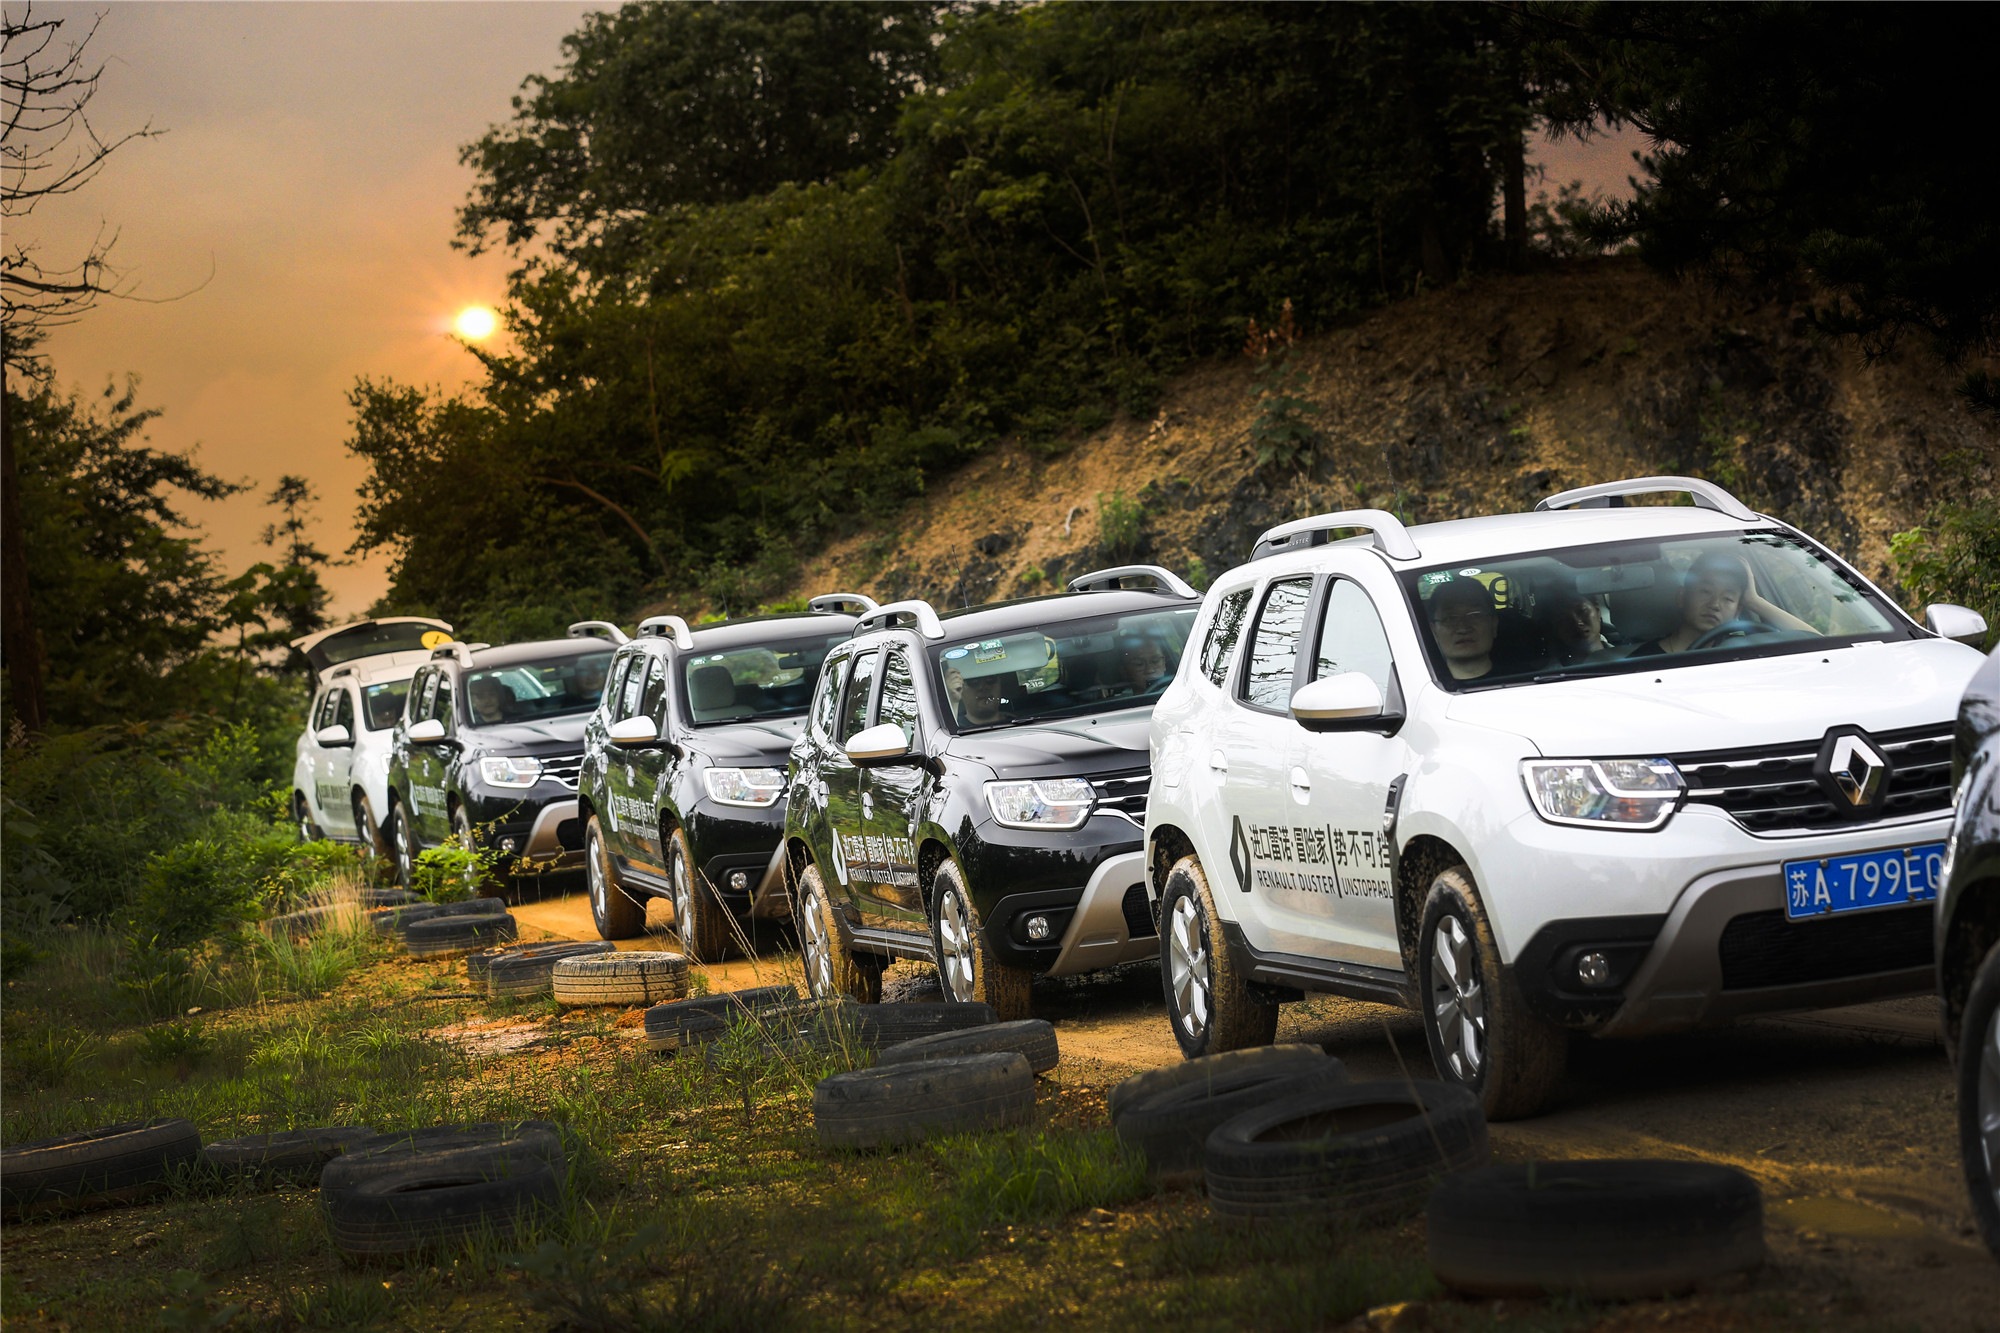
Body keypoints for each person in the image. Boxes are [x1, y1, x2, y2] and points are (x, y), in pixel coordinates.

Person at [1630, 552, 1818, 657]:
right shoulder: (1644, 660)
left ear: (1738, 610)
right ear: (1682, 597)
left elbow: (1817, 643)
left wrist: (1755, 601)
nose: (1715, 605)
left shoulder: (1745, 651)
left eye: (1728, 598)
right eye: (1705, 591)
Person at [1426, 577, 1499, 680]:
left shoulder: (1525, 682)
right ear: (1434, 631)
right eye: (1450, 618)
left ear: (1493, 624)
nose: (1463, 628)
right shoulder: (1422, 689)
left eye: (1474, 615)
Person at [1545, 579, 1611, 664]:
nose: (1577, 623)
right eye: (1564, 618)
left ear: (1598, 612)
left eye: (1582, 611)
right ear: (1556, 627)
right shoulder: (1550, 675)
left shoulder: (1629, 658)